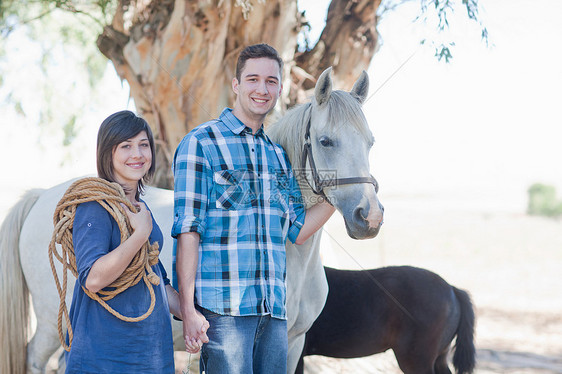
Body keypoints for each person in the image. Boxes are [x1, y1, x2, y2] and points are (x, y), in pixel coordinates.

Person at [172, 44, 335, 373]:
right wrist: (188, 310)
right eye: (253, 79)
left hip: (273, 314)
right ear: (236, 85)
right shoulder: (201, 143)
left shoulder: (277, 157)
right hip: (225, 315)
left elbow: (298, 229)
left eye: (272, 81)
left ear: (279, 88)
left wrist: (338, 195)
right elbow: (187, 232)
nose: (262, 89)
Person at [65, 110, 181, 373]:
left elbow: (155, 278)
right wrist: (140, 234)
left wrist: (192, 313)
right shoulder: (94, 205)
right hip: (105, 357)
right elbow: (93, 279)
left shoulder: (142, 209)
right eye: (126, 146)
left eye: (143, 145)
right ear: (108, 153)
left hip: (150, 354)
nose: (137, 154)